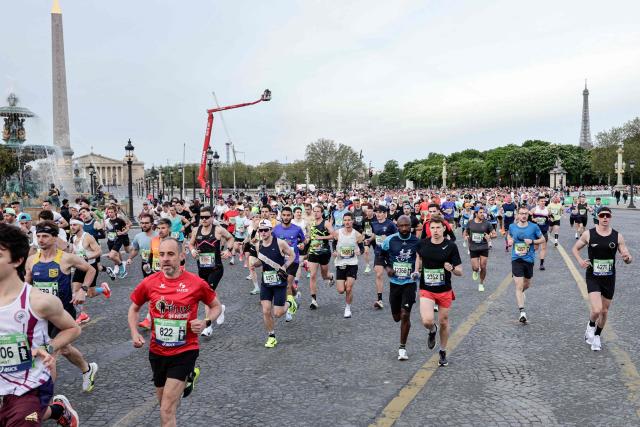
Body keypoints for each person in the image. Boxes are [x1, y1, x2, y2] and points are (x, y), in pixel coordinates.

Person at [128, 238, 224, 426]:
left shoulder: (196, 283)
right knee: (165, 402)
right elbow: (134, 309)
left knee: (166, 409)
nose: (165, 259)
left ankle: (186, 376)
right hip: (157, 352)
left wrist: (205, 322)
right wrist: (134, 332)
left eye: (171, 254)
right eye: (161, 254)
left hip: (185, 351)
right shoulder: (149, 283)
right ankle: (187, 380)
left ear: (181, 256)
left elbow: (216, 307)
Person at [0, 223, 82, 427]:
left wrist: (47, 348)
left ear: (17, 260)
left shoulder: (39, 301)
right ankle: (57, 410)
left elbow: (73, 328)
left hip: (31, 385)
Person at [24, 221, 99, 393]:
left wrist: (83, 290)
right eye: (39, 236)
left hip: (63, 314)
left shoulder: (65, 258)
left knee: (51, 352)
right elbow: (26, 285)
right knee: (64, 348)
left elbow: (91, 270)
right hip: (41, 315)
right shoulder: (31, 261)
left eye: (45, 236)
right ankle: (88, 369)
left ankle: (46, 399)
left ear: (55, 238)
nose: (41, 240)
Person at [572, 207, 632, 351]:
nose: (605, 218)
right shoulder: (589, 234)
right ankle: (591, 325)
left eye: (607, 215)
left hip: (609, 278)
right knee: (596, 309)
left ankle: (597, 336)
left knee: (604, 311)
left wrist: (627, 258)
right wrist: (580, 261)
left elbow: (627, 256)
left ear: (610, 217)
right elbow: (575, 249)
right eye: (602, 215)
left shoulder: (617, 236)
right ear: (598, 217)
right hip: (593, 276)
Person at [415, 215, 462, 367]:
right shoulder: (422, 244)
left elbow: (460, 271)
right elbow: (418, 258)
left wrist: (452, 268)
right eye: (432, 228)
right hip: (427, 288)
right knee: (428, 320)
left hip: (444, 290)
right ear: (429, 229)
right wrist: (417, 269)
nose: (435, 231)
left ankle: (442, 351)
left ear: (444, 229)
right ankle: (432, 330)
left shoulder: (451, 246)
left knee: (443, 321)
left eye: (438, 228)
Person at [189, 206, 234, 337]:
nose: (203, 220)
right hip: (202, 269)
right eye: (201, 217)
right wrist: (192, 251)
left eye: (206, 217)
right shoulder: (195, 230)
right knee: (210, 295)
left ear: (212, 217)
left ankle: (207, 327)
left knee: (207, 296)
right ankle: (220, 308)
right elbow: (191, 244)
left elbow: (231, 238)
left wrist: (228, 250)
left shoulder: (218, 230)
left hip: (216, 268)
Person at [251, 219, 297, 348]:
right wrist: (255, 264)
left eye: (266, 230)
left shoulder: (280, 243)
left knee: (277, 313)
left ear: (271, 230)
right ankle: (271, 336)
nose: (264, 232)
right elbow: (262, 261)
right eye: (261, 230)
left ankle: (290, 303)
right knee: (266, 311)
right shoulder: (258, 245)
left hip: (279, 283)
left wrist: (285, 265)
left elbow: (292, 255)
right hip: (266, 282)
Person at [381, 215, 420, 361]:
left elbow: (422, 258)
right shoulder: (390, 240)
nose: (404, 228)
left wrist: (418, 270)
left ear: (411, 226)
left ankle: (402, 348)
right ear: (397, 226)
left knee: (405, 314)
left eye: (407, 226)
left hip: (410, 283)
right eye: (401, 226)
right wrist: (387, 267)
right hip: (394, 283)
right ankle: (403, 320)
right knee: (397, 317)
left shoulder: (417, 242)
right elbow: (381, 255)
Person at [507, 207, 545, 323]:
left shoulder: (533, 227)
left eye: (525, 214)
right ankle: (522, 312)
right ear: (517, 215)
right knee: (518, 286)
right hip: (516, 259)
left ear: (528, 215)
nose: (523, 216)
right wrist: (509, 241)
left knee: (527, 284)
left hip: (529, 259)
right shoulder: (512, 227)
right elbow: (509, 235)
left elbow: (542, 239)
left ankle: (521, 293)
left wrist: (532, 241)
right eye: (521, 214)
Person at [70, 218, 108, 325]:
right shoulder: (73, 238)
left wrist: (87, 256)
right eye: (71, 225)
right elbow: (74, 251)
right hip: (79, 267)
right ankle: (83, 314)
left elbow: (99, 251)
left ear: (80, 226)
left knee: (91, 293)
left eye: (75, 225)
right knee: (75, 292)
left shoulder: (88, 237)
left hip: (91, 267)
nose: (72, 227)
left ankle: (103, 289)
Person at [272, 206, 306, 320]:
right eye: (284, 215)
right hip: (280, 261)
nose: (286, 217)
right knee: (289, 285)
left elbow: (304, 241)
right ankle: (295, 294)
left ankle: (289, 310)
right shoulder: (275, 230)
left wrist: (302, 245)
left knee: (286, 284)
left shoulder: (297, 229)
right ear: (281, 216)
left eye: (288, 215)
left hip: (293, 260)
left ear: (291, 216)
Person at [332, 212, 364, 319]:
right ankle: (335, 279)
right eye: (345, 220)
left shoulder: (357, 234)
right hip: (340, 263)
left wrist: (360, 251)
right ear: (343, 221)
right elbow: (333, 244)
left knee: (349, 288)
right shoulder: (337, 233)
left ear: (352, 221)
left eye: (349, 220)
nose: (347, 222)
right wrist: (335, 252)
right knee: (341, 290)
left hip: (352, 263)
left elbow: (362, 247)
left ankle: (348, 308)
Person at [307, 204, 335, 309]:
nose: (316, 213)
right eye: (314, 211)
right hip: (313, 252)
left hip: (324, 252)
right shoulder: (312, 223)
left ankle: (330, 276)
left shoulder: (326, 223)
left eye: (318, 211)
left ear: (322, 213)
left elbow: (334, 235)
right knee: (313, 275)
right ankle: (313, 300)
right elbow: (309, 237)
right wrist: (305, 243)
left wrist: (322, 237)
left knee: (324, 276)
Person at [370, 206, 398, 309]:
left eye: (380, 212)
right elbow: (374, 234)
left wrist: (388, 238)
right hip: (379, 252)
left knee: (394, 275)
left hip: (390, 253)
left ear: (385, 214)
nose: (378, 214)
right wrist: (369, 240)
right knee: (378, 274)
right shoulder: (373, 223)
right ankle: (379, 299)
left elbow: (397, 236)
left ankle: (400, 294)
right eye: (376, 212)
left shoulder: (390, 224)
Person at [463, 206, 495, 292]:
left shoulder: (487, 223)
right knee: (476, 267)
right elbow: (465, 232)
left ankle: (481, 283)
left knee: (483, 266)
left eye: (483, 212)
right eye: (480, 212)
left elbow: (494, 234)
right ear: (476, 214)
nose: (483, 214)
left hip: (484, 247)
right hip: (473, 247)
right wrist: (465, 236)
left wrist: (490, 236)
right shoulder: (470, 223)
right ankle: (475, 270)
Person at [104, 206, 131, 279]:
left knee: (112, 256)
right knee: (114, 256)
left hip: (118, 240)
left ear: (115, 212)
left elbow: (127, 228)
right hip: (110, 240)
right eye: (109, 212)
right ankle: (121, 265)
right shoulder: (106, 221)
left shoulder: (120, 220)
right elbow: (105, 229)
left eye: (111, 212)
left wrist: (122, 233)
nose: (110, 214)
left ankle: (121, 266)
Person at [530, 196, 551, 270]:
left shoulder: (547, 210)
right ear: (538, 202)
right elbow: (528, 218)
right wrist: (533, 219)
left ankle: (541, 264)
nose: (543, 202)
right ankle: (531, 262)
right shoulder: (534, 209)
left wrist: (550, 219)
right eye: (542, 201)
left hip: (544, 231)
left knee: (543, 248)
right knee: (535, 248)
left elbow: (551, 218)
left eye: (544, 201)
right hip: (535, 232)